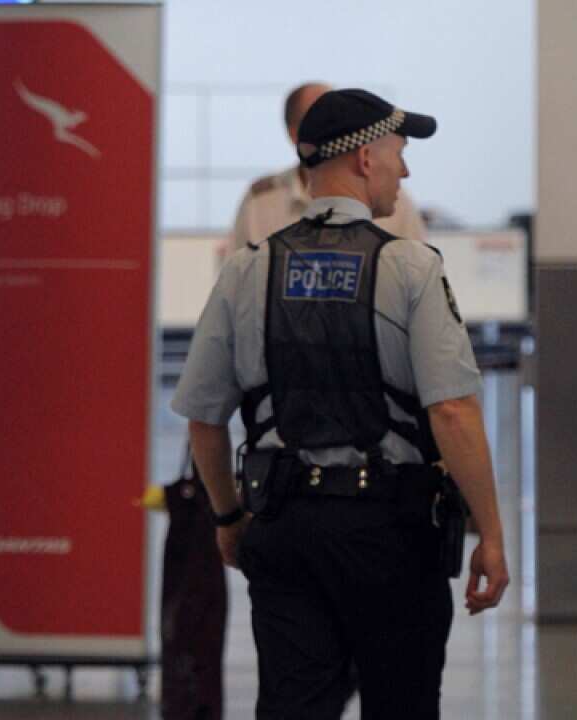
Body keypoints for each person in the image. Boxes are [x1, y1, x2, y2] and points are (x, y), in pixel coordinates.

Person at [173, 87, 509, 720]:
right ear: (363, 160)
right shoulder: (410, 267)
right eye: (399, 152)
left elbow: (204, 418)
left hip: (284, 529)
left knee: (293, 705)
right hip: (390, 534)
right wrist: (490, 533)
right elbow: (453, 412)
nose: (404, 171)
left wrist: (227, 519)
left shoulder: (249, 269)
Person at [231, 82, 428, 251]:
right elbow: (237, 285)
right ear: (295, 135)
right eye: (317, 121)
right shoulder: (260, 200)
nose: (404, 172)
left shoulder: (395, 202)